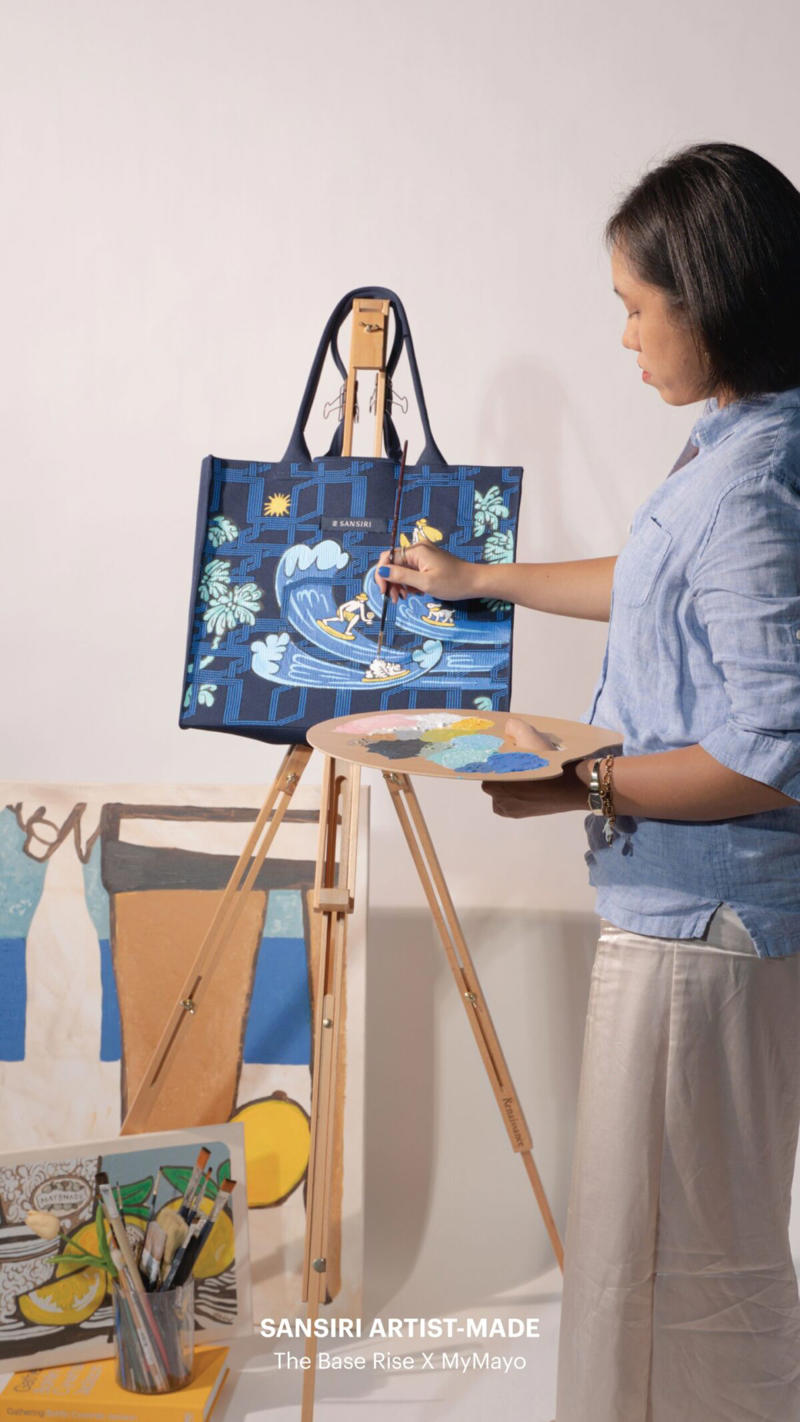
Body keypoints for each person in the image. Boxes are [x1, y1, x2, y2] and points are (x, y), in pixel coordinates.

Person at [376, 143, 800, 1422]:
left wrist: (579, 782)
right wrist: (481, 583)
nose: (622, 337)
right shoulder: (743, 440)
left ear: (709, 299)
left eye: (634, 306)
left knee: (679, 1266)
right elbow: (656, 575)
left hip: (700, 930)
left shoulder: (752, 485)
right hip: (694, 921)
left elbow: (771, 755)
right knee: (658, 1253)